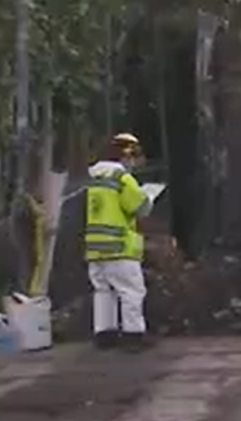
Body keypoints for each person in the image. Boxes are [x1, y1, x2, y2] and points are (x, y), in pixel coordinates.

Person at [84, 132, 155, 352]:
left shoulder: (92, 177)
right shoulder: (121, 178)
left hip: (95, 248)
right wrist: (148, 197)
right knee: (132, 291)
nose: (134, 161)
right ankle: (134, 336)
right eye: (133, 156)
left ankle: (105, 335)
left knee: (103, 291)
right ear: (126, 155)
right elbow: (140, 208)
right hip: (118, 247)